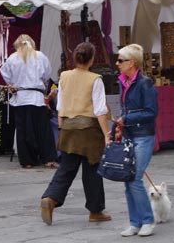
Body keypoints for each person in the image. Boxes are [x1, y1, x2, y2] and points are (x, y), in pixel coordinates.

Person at [40, 42, 112, 225]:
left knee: (66, 168)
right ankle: (95, 210)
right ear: (92, 59)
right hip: (89, 130)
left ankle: (51, 198)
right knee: (93, 169)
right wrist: (106, 134)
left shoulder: (64, 76)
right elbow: (100, 109)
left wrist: (63, 126)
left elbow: (60, 105)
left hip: (69, 128)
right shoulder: (95, 79)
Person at [115, 44, 159, 237]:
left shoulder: (144, 83)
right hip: (129, 134)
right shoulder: (122, 82)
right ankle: (135, 222)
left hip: (143, 135)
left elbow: (151, 112)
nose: (117, 64)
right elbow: (125, 109)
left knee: (134, 178)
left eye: (120, 60)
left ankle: (147, 220)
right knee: (128, 179)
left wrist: (127, 119)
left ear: (132, 63)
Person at [0, 34, 58, 169]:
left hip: (20, 98)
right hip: (36, 97)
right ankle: (48, 159)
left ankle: (27, 161)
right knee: (42, 129)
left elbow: (5, 74)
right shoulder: (40, 56)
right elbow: (47, 74)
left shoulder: (12, 58)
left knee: (23, 130)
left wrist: (14, 83)